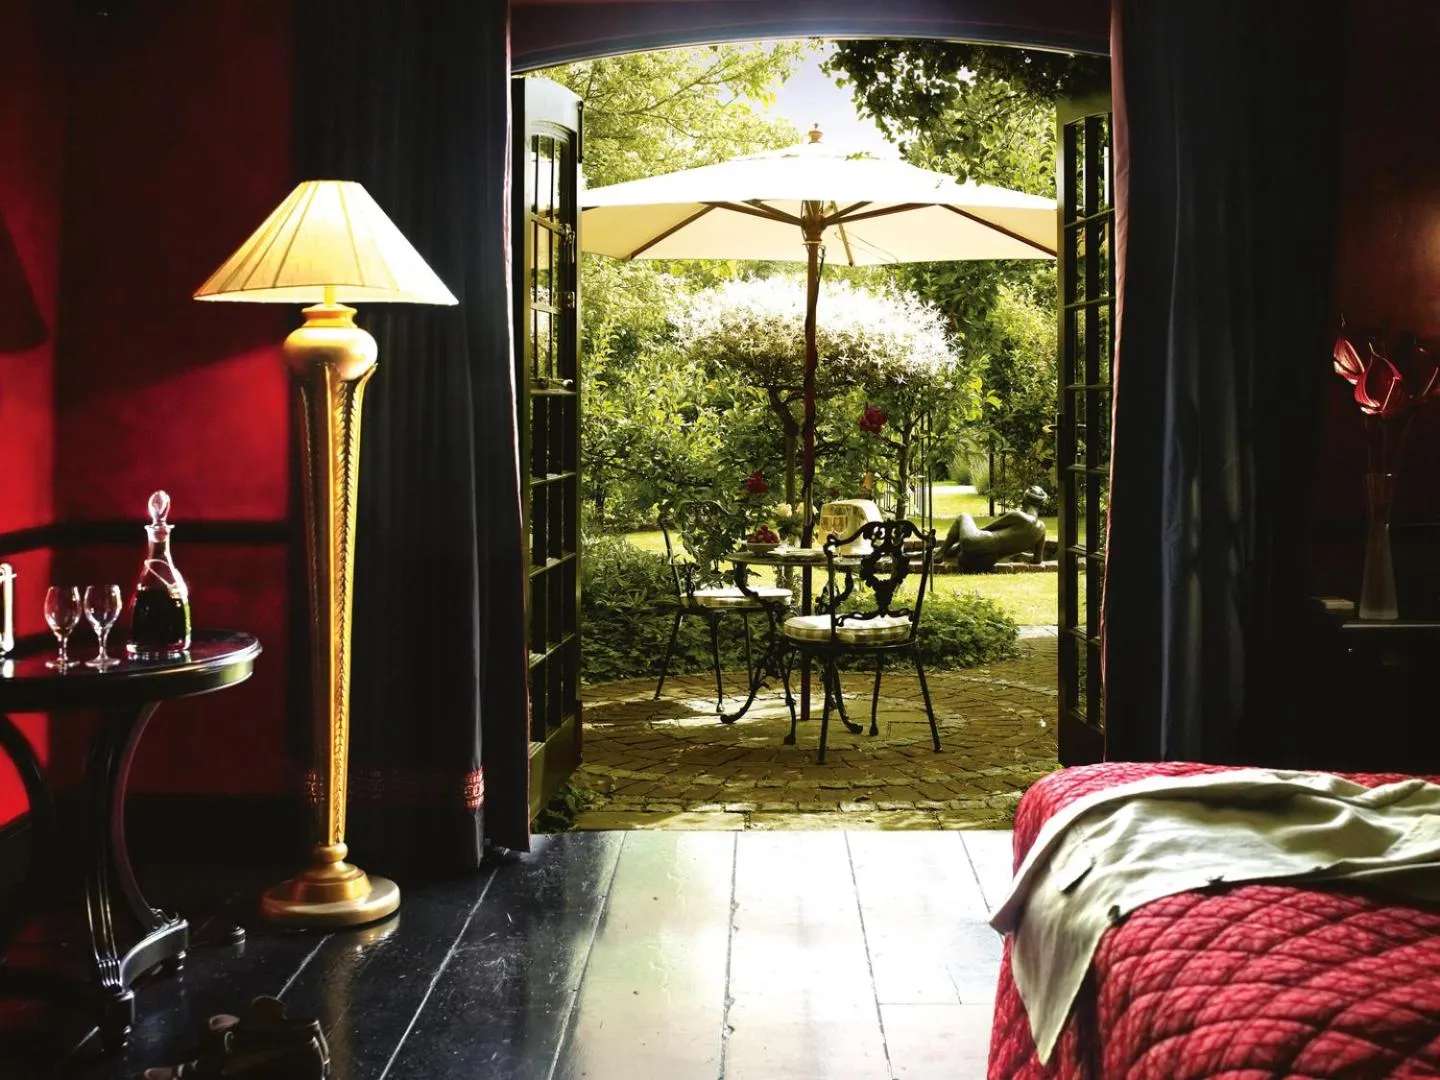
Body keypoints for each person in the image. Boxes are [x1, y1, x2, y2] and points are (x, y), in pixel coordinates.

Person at [940, 485, 1048, 571]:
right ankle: (952, 553)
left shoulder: (1018, 516)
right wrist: (1023, 555)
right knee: (962, 556)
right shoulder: (1041, 530)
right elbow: (1037, 560)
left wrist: (959, 544)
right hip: (988, 560)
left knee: (963, 516)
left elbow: (985, 529)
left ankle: (939, 553)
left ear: (1024, 500)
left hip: (981, 542)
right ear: (1041, 504)